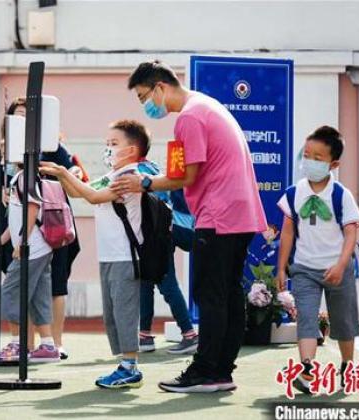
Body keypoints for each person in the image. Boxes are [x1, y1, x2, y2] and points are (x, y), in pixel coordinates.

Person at [112, 60, 267, 393]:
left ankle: (206, 371)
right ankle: (221, 370)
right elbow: (186, 171)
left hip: (219, 215)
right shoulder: (207, 106)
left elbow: (187, 176)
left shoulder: (190, 117)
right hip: (239, 214)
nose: (146, 106)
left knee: (210, 294)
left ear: (160, 87)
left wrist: (145, 183)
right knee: (228, 292)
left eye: (144, 97)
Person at [41, 119, 152, 389]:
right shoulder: (114, 175)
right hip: (110, 255)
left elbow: (93, 197)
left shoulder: (129, 177)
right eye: (107, 144)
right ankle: (125, 364)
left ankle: (131, 367)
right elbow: (81, 192)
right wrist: (65, 175)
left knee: (124, 312)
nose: (109, 149)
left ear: (132, 149)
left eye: (114, 144)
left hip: (126, 256)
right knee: (112, 314)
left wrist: (64, 174)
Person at [0, 97, 81, 359]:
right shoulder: (5, 154)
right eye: (16, 117)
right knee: (33, 288)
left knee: (41, 287)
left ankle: (38, 343)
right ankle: (37, 344)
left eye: (26, 117)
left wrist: (23, 241)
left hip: (47, 230)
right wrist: (3, 196)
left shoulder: (51, 147)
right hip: (21, 234)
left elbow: (72, 173)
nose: (21, 123)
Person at [274, 126, 359, 394]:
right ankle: (307, 370)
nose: (309, 161)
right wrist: (281, 268)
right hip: (303, 269)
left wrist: (340, 265)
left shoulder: (341, 195)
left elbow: (351, 233)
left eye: (318, 158)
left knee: (344, 324)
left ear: (333, 164)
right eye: (307, 154)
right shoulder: (294, 192)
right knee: (307, 320)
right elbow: (288, 231)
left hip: (338, 269)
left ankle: (347, 365)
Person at [0, 162, 60, 363]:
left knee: (10, 291)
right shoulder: (23, 177)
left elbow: (32, 210)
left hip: (31, 250)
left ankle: (17, 345)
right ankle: (48, 346)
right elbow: (17, 219)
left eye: (5, 145)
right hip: (40, 249)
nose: (2, 150)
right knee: (38, 296)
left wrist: (23, 242)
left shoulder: (25, 177)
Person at [135, 160, 198, 355]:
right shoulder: (151, 166)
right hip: (153, 235)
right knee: (145, 283)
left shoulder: (139, 171)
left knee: (166, 283)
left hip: (158, 236)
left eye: (115, 143)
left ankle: (189, 334)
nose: (111, 149)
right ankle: (144, 336)